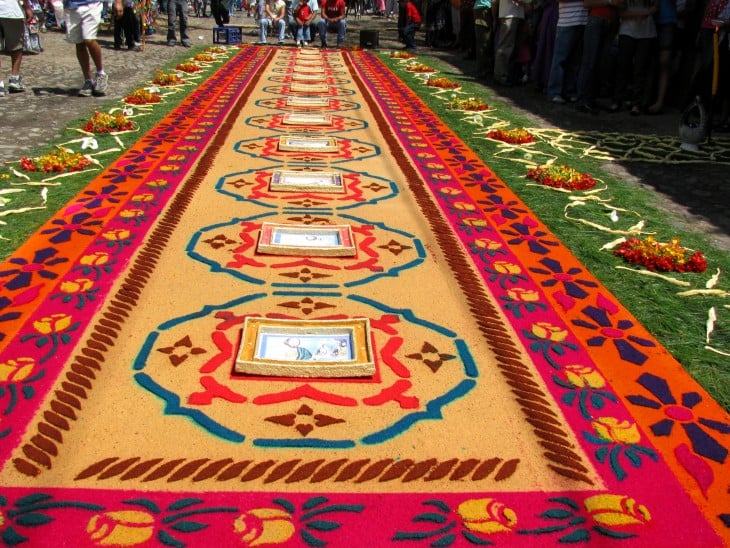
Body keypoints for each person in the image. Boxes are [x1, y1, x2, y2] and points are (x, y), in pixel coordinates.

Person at [64, 0, 118, 96]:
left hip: (92, 4)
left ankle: (101, 73)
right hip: (71, 6)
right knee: (79, 42)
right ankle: (88, 80)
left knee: (89, 39)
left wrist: (118, 2)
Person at [545, 0, 587, 102]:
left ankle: (568, 91)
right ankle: (554, 92)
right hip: (567, 23)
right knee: (560, 59)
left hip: (583, 22)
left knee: (575, 61)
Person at [0, 0, 35, 96]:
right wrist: (27, 7)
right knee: (17, 47)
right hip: (11, 10)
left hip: (10, 10)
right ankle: (14, 78)